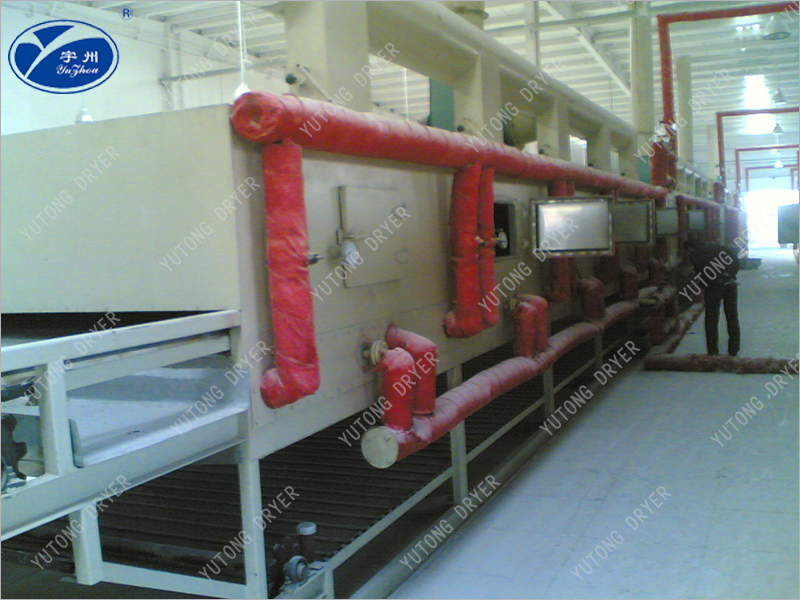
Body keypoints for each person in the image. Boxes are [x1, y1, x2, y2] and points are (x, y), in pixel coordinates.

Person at [685, 239, 741, 357]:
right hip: (730, 284)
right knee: (732, 317)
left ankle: (712, 351)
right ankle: (734, 349)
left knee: (711, 318)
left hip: (713, 287)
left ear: (690, 248)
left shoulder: (696, 254)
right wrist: (730, 274)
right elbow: (736, 262)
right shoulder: (720, 248)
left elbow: (702, 272)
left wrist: (705, 283)